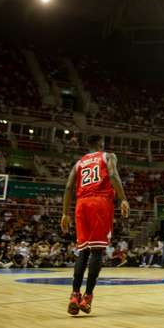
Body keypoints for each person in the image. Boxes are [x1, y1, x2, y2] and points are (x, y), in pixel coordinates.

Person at [61, 135, 129, 315]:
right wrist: (123, 199)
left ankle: (74, 295)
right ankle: (87, 298)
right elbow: (113, 175)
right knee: (97, 251)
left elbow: (68, 187)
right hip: (99, 203)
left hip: (81, 205)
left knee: (83, 251)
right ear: (101, 145)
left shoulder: (79, 163)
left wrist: (64, 213)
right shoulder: (108, 156)